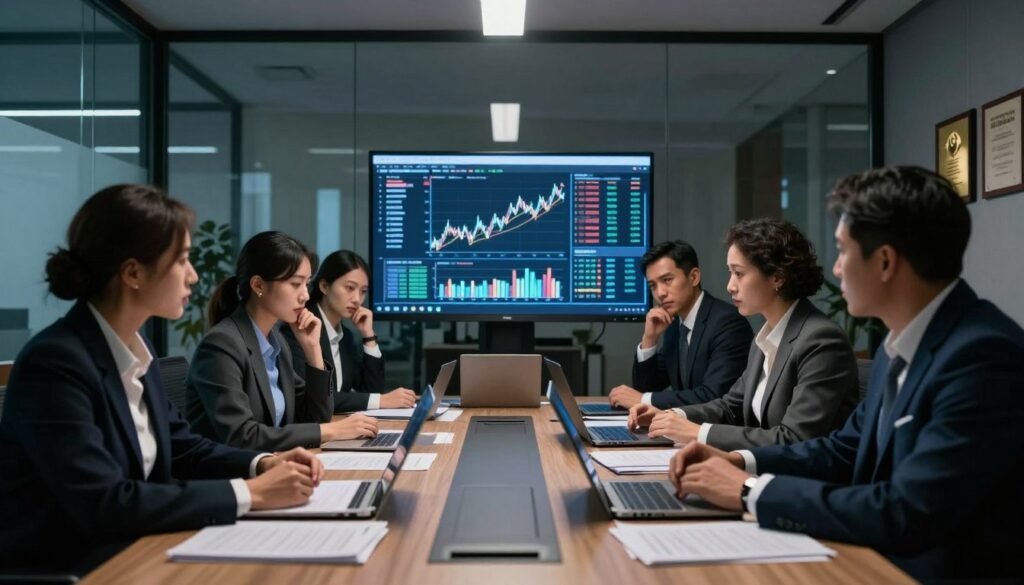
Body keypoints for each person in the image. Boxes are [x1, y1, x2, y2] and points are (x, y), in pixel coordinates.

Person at [666, 166, 1024, 582]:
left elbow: (906, 511)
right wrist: (738, 461)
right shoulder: (900, 345)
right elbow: (841, 450)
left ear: (885, 261)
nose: (836, 269)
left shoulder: (983, 357)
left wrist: (749, 492)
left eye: (842, 251)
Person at [0, 185, 324, 574]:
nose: (194, 275)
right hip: (86, 568)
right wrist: (249, 492)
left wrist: (263, 463)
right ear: (133, 272)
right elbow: (105, 504)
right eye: (182, 260)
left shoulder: (137, 351)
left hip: (143, 551)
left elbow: (185, 448)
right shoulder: (55, 364)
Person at [629, 219, 858, 450]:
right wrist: (672, 415)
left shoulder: (821, 340)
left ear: (777, 277)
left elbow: (794, 439)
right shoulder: (765, 337)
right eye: (731, 273)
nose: (730, 286)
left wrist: (698, 433)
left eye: (738, 273)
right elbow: (730, 407)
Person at [186, 232, 378, 451]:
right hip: (233, 471)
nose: (305, 295)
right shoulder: (222, 344)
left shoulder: (276, 342)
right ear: (258, 285)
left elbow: (315, 417)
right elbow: (242, 436)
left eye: (307, 283)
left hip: (277, 462)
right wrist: (331, 431)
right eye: (295, 284)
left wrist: (312, 349)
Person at [609, 240, 752, 410]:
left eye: (667, 280)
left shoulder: (727, 323)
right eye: (653, 285)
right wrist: (649, 339)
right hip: (683, 424)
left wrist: (644, 399)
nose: (660, 293)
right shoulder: (674, 325)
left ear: (694, 277)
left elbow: (713, 396)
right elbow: (647, 389)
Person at [281, 250, 416, 413]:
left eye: (363, 291)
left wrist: (368, 335)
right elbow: (315, 397)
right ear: (324, 286)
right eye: (350, 288)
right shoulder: (299, 330)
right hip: (314, 426)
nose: (357, 299)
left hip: (338, 423)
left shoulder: (346, 336)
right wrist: (382, 400)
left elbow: (370, 390)